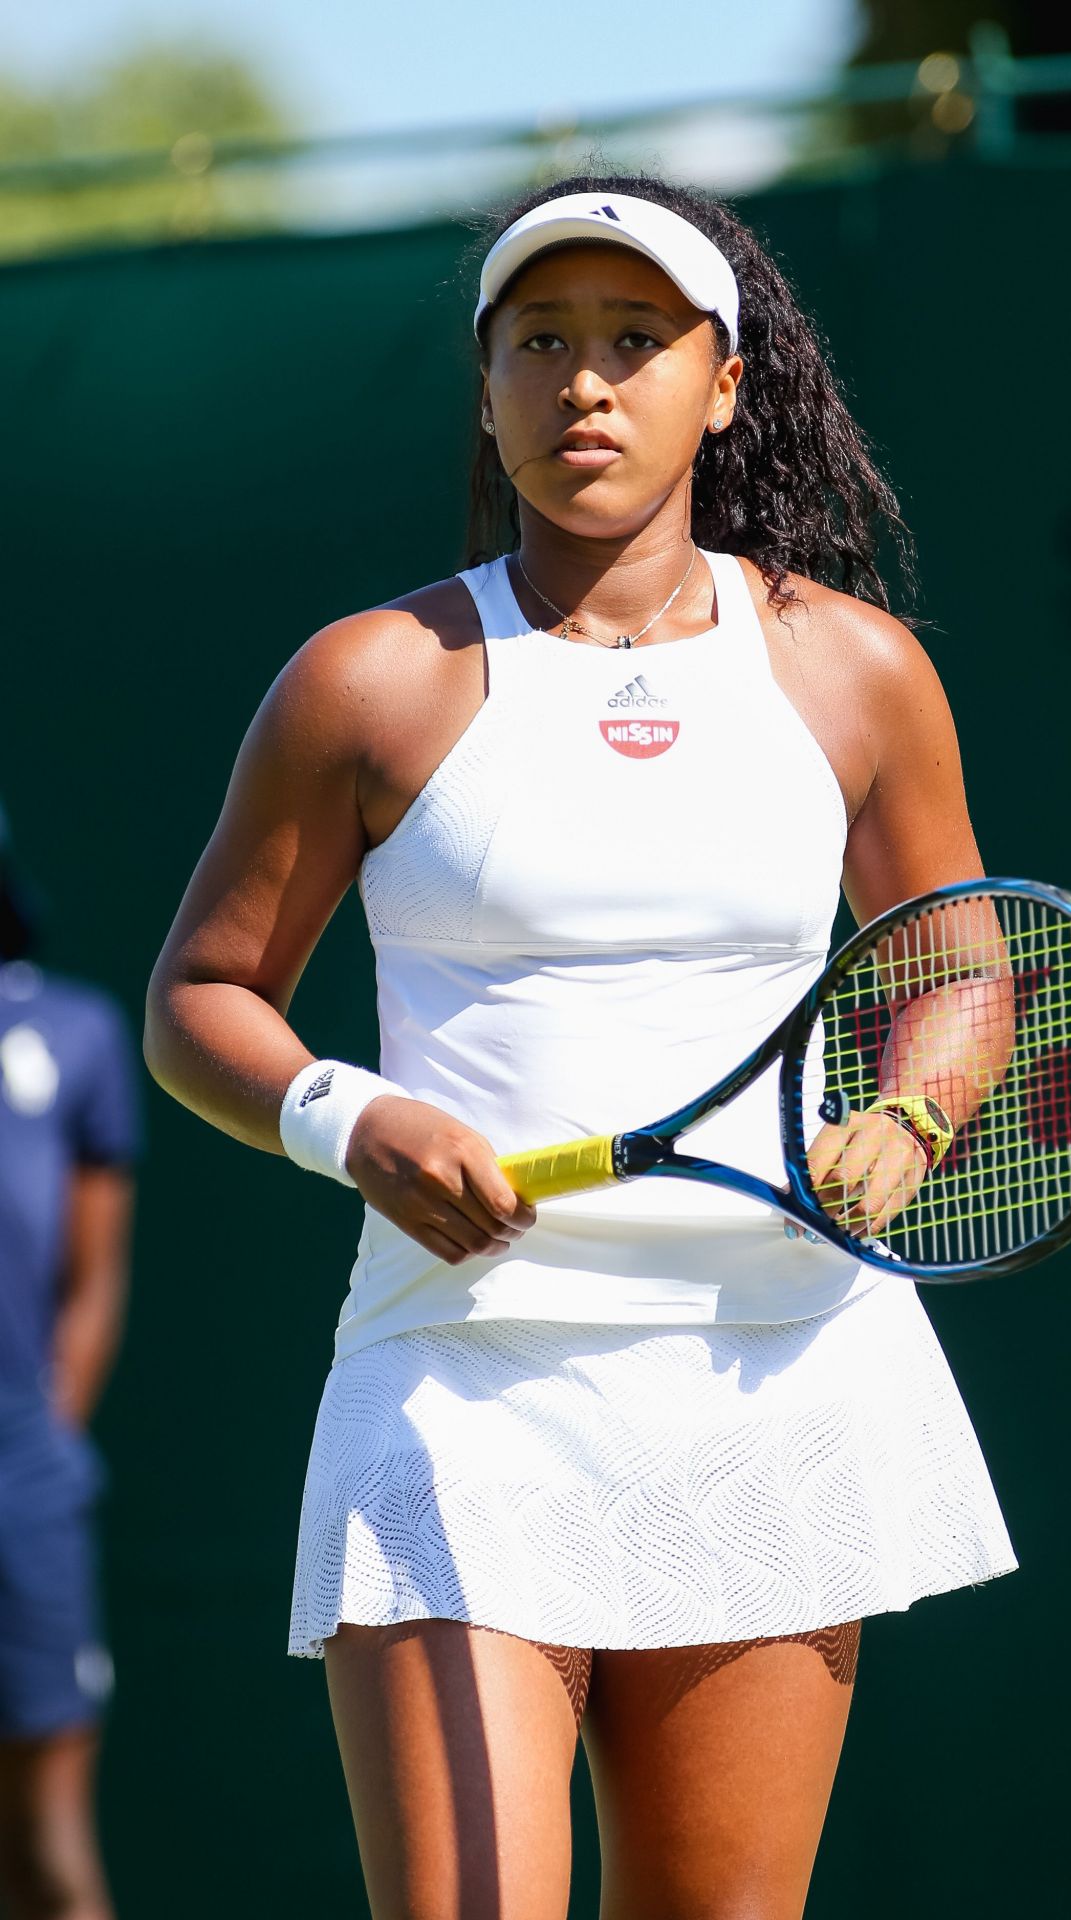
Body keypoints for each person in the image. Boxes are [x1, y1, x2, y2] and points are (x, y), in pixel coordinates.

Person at [144, 174, 1016, 1918]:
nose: (586, 383)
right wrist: (348, 1117)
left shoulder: (854, 673)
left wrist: (914, 1114)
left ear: (729, 382)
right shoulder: (370, 680)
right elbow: (201, 996)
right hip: (464, 1383)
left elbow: (964, 958)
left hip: (778, 1371)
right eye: (541, 341)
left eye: (636, 341)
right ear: (486, 389)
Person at [0, 803, 138, 1920]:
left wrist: (46, 1438)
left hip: (22, 1484)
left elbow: (94, 1275)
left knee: (48, 1846)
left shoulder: (74, 1032)